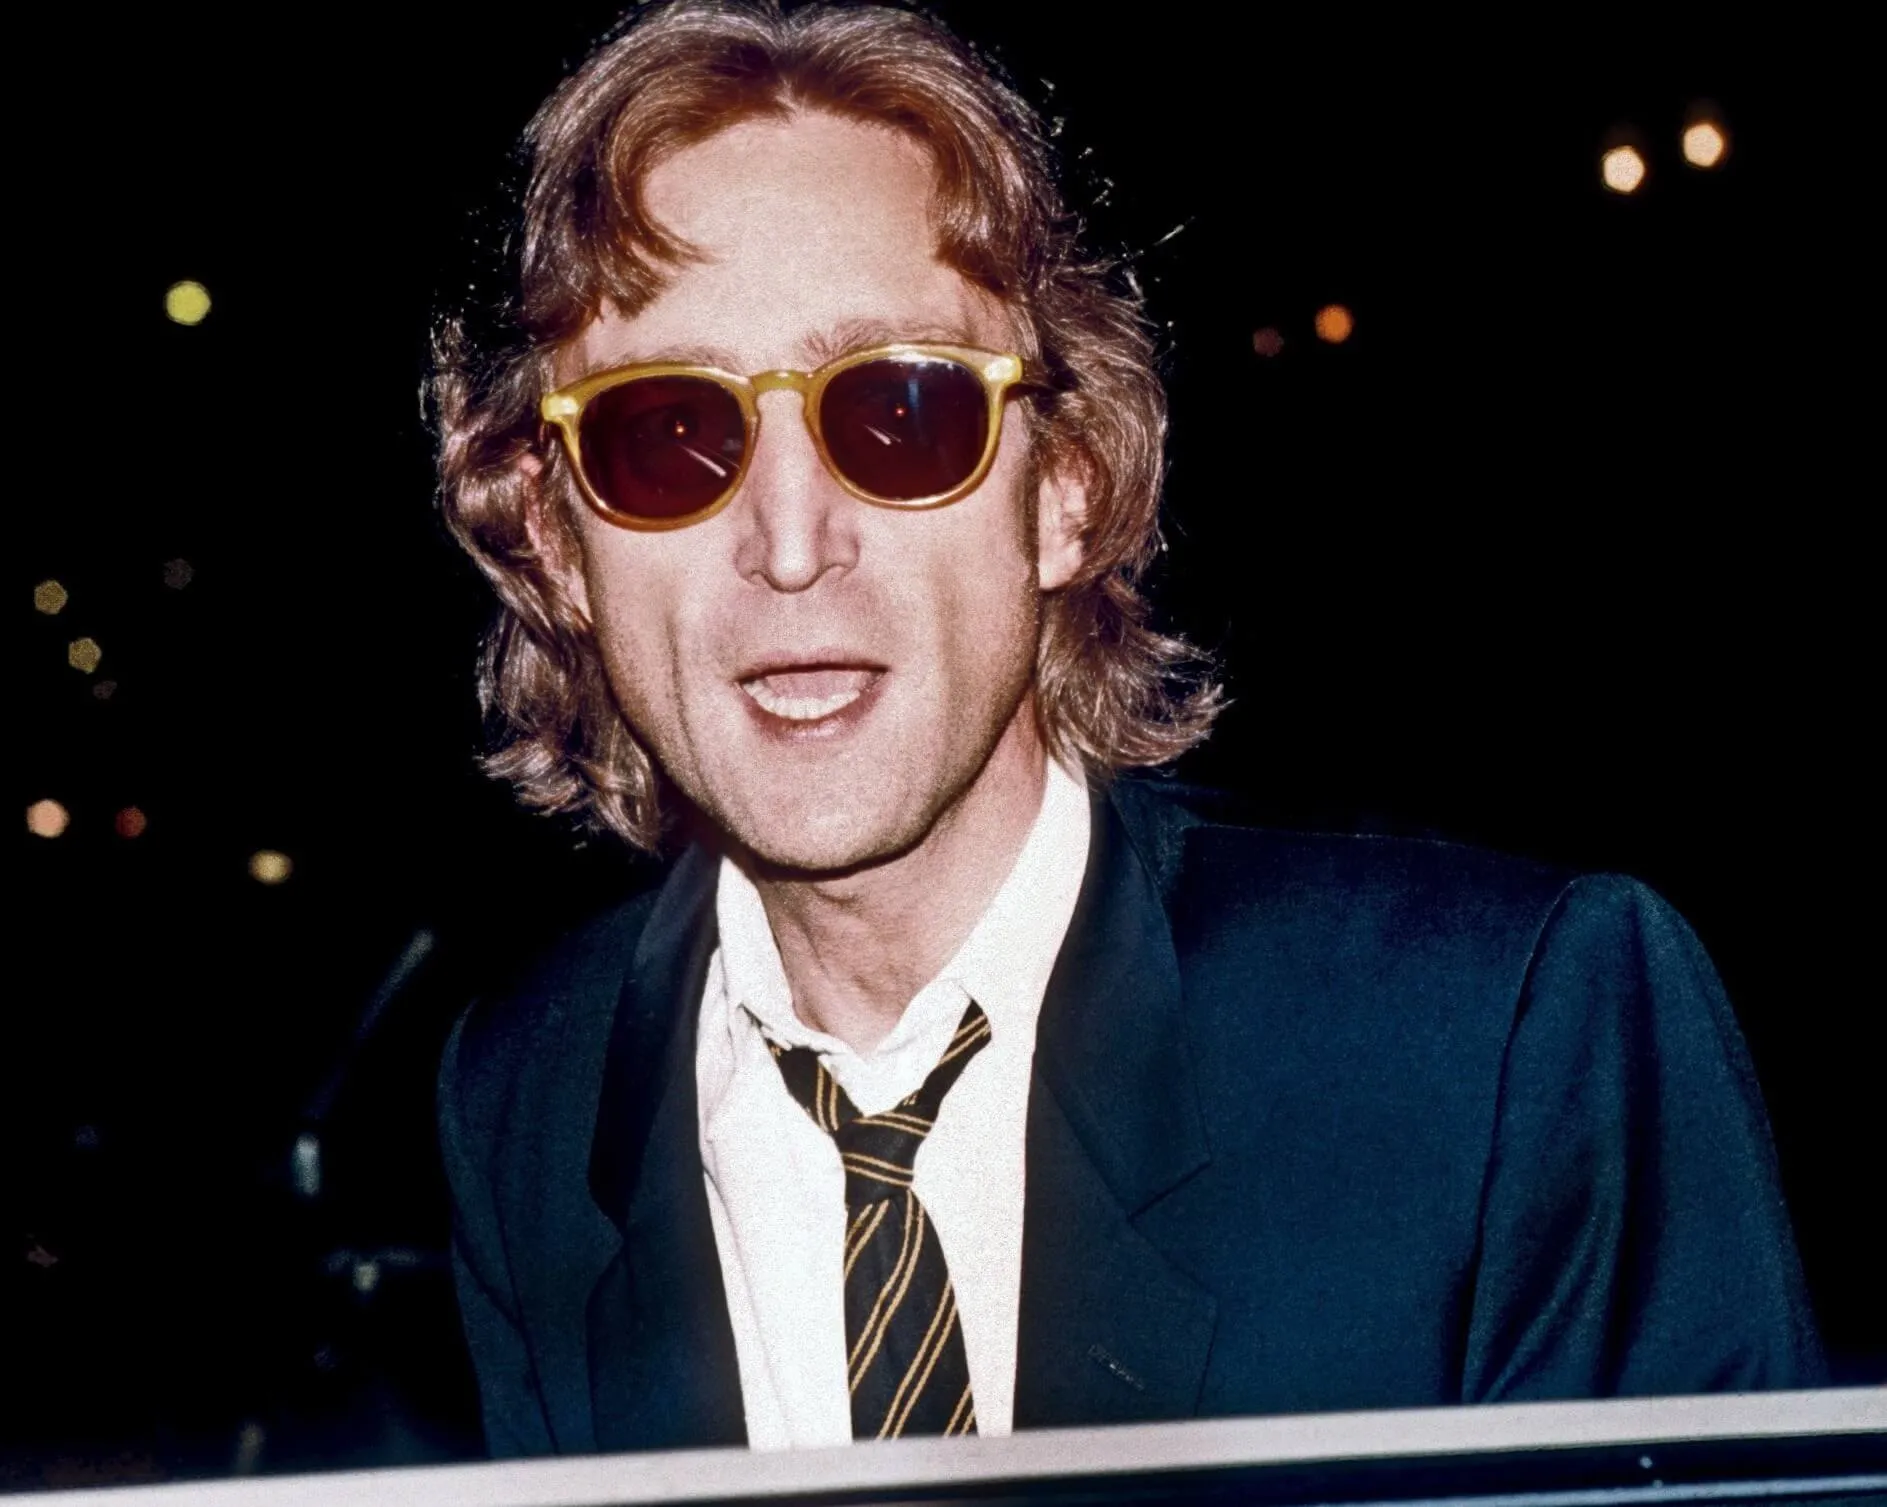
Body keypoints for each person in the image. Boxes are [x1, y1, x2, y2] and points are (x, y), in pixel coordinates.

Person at [431, 0, 1823, 1458]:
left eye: (900, 414)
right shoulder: (528, 1098)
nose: (789, 544)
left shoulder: (1502, 1041)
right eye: (665, 437)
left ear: (1066, 489)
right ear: (556, 542)